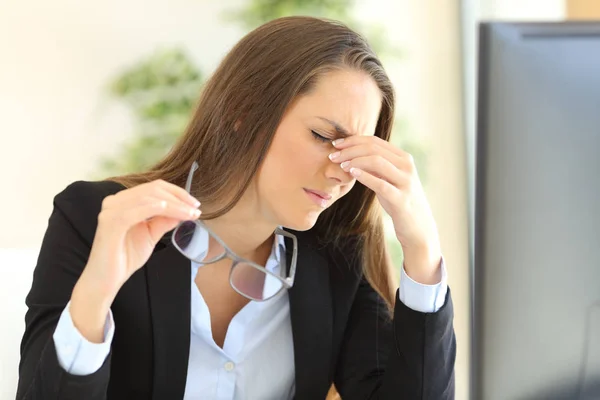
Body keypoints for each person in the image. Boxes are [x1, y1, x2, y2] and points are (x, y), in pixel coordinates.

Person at [16, 16, 455, 400]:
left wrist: (422, 251)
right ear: (244, 110)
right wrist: (95, 294)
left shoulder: (335, 260)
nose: (341, 172)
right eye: (324, 137)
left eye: (356, 153)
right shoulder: (98, 220)